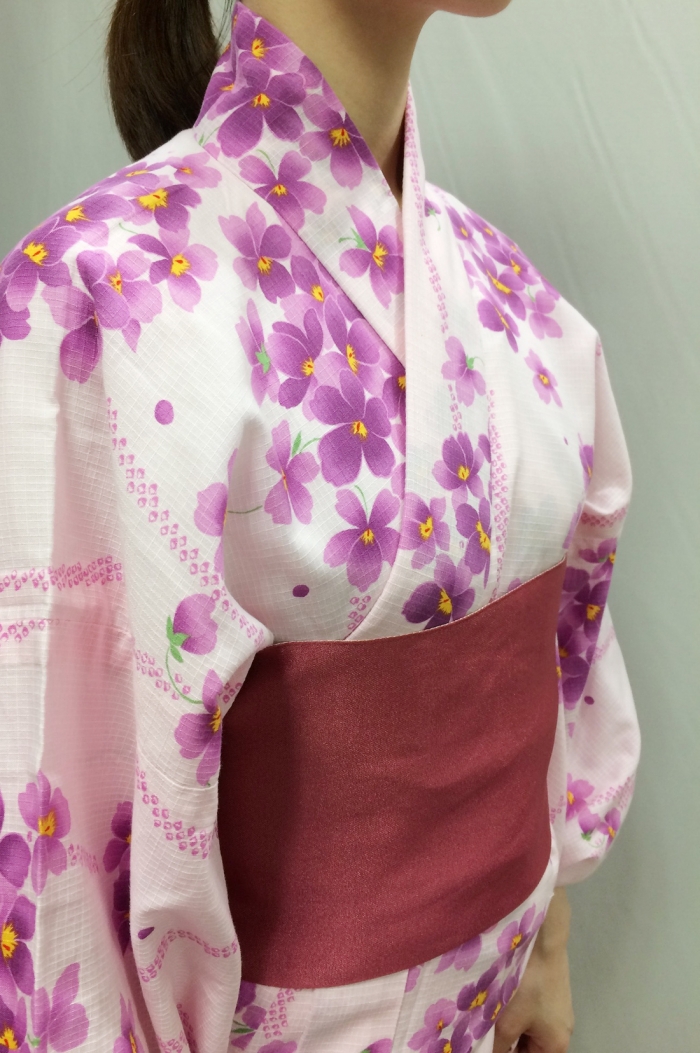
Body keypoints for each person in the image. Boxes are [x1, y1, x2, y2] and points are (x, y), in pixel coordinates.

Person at [0, 1, 640, 1052]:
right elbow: (48, 829)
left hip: (488, 1004)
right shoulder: (95, 296)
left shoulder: (509, 296)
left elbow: (559, 661)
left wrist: (549, 935)